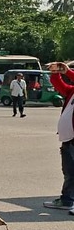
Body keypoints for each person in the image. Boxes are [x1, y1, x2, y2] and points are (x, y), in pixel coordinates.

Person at [44, 62, 74, 212]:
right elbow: (59, 85)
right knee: (69, 172)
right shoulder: (72, 92)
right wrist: (56, 72)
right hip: (68, 139)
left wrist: (67, 72)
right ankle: (67, 200)